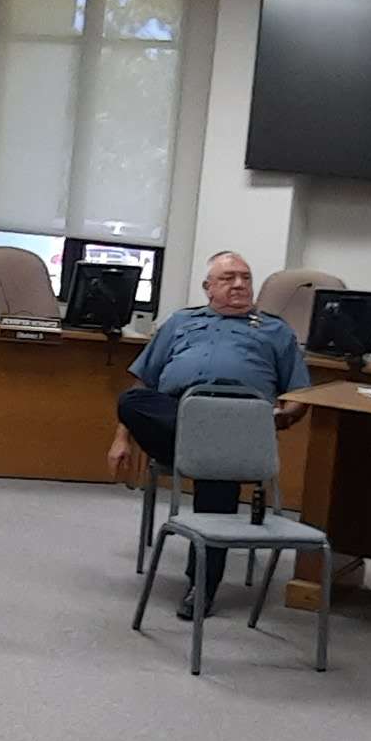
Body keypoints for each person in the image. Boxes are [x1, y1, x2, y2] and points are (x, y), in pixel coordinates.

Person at [104, 248, 307, 618]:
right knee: (132, 403)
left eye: (245, 278)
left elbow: (298, 397)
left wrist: (282, 416)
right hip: (179, 419)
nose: (240, 285)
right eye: (228, 278)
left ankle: (202, 584)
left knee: (220, 456)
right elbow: (141, 383)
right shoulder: (180, 323)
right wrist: (122, 438)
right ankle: (208, 442)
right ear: (207, 287)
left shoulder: (276, 331)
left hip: (241, 423)